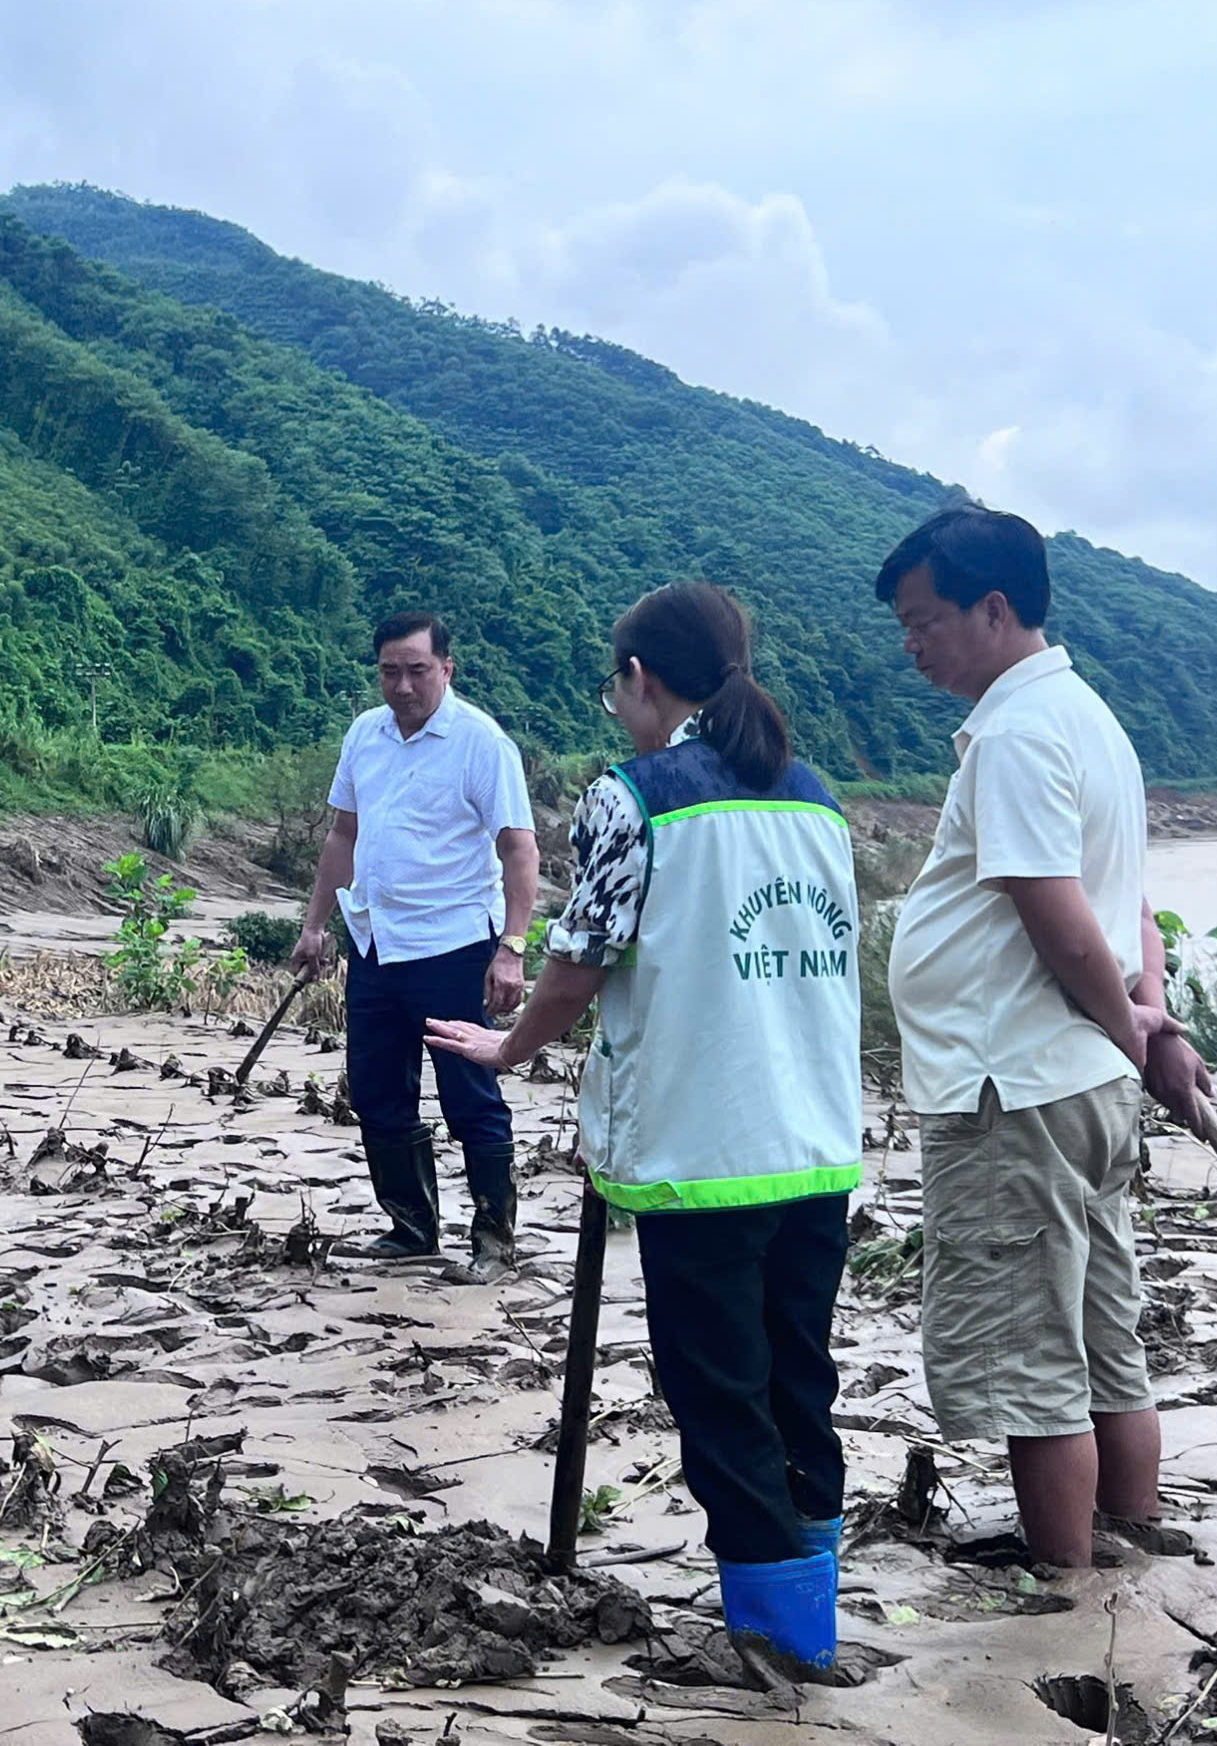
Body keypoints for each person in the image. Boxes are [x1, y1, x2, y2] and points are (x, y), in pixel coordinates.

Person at [430, 581, 863, 1681]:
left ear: (639, 679)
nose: (614, 701)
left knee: (719, 1393)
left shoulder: (632, 798)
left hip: (703, 1151)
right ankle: (809, 1613)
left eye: (614, 683)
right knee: (795, 1381)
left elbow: (577, 965)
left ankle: (772, 1647)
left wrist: (509, 1048)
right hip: (814, 1145)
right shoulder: (812, 795)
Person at [877, 506, 1210, 1568]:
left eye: (924, 619)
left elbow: (1062, 917)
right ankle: (1125, 1532)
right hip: (1076, 1087)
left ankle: (1060, 1578)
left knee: (1032, 1349)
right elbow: (1134, 907)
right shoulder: (1084, 717)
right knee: (1102, 1330)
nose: (910, 642)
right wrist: (1145, 1028)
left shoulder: (1018, 733)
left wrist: (1128, 1027)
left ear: (994, 607)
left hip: (1014, 1085)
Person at [290, 612, 539, 1283]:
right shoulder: (364, 735)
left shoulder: (481, 743)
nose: (402, 686)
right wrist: (317, 924)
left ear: (447, 669)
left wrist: (512, 948)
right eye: (390, 672)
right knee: (376, 1093)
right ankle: (411, 1230)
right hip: (375, 941)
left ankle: (492, 1241)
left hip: (454, 943)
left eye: (417, 671)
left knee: (470, 1095)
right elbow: (344, 836)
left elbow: (519, 851)